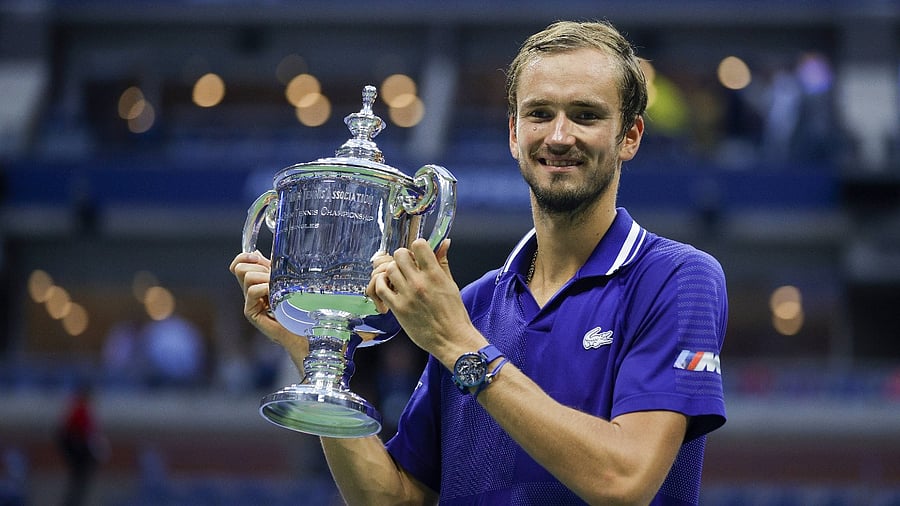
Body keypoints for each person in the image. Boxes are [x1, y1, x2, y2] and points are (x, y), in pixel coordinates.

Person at [231, 19, 727, 505]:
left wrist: (459, 344)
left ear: (630, 136)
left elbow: (624, 481)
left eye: (585, 115)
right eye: (538, 114)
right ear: (514, 134)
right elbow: (394, 500)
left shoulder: (677, 279)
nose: (558, 135)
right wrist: (312, 348)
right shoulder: (473, 304)